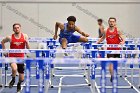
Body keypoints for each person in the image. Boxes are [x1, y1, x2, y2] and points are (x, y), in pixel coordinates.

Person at [1, 23, 30, 92]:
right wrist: (4, 51)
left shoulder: (25, 36)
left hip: (21, 58)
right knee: (14, 68)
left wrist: (27, 43)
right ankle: (13, 79)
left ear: (20, 28)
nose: (16, 29)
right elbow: (2, 42)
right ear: (13, 29)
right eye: (15, 28)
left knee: (22, 78)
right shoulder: (10, 37)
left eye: (18, 27)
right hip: (12, 57)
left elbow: (28, 49)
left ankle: (19, 84)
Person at [96, 17, 125, 82]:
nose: (111, 23)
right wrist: (97, 42)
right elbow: (103, 38)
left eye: (113, 21)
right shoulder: (106, 30)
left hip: (117, 50)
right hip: (110, 50)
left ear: (115, 23)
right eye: (110, 21)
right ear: (108, 22)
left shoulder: (118, 30)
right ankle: (112, 75)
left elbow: (123, 38)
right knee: (110, 65)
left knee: (115, 64)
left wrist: (122, 42)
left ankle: (114, 74)